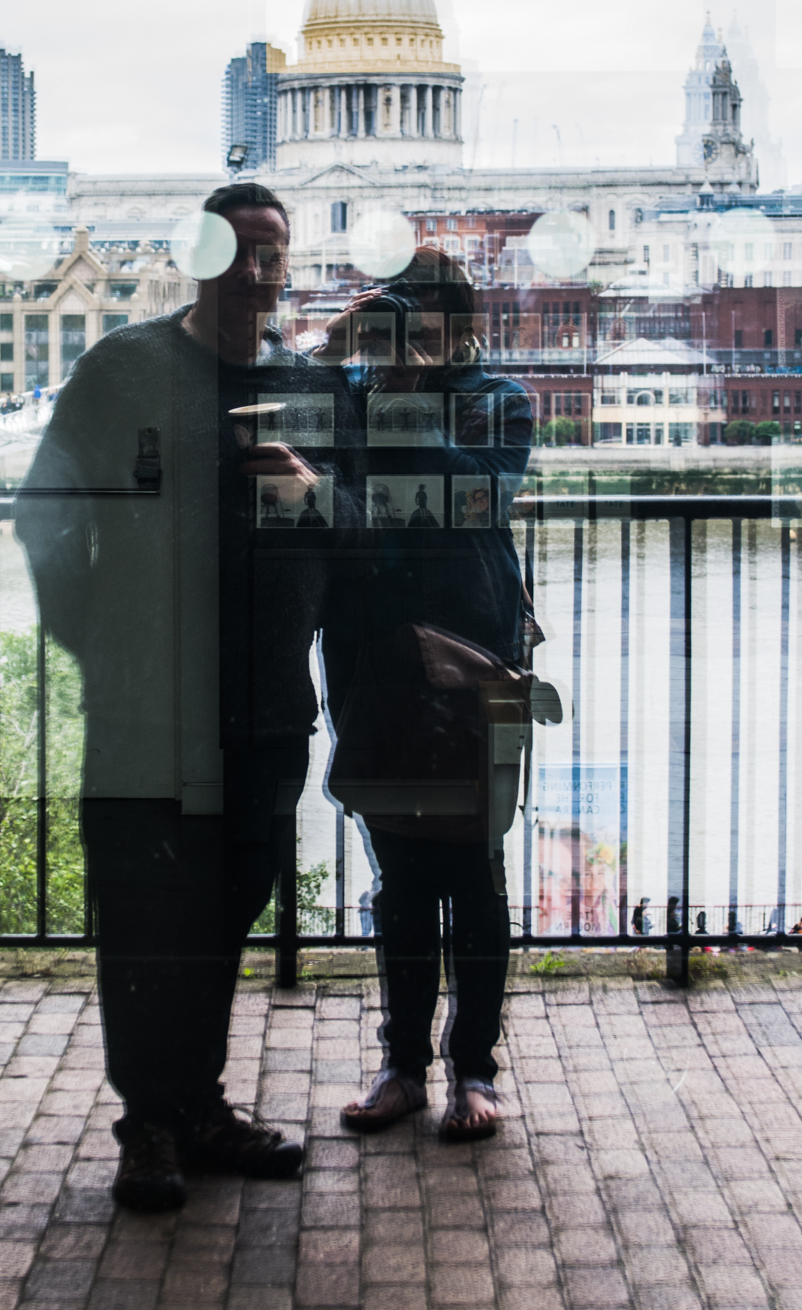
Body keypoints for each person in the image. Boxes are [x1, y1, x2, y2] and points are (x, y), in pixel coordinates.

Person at [16, 183, 353, 1213]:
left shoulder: (311, 391)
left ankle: (193, 1106)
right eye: (245, 251)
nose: (263, 271)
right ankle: (150, 1124)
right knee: (143, 914)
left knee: (220, 914)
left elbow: (359, 538)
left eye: (276, 253)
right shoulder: (126, 369)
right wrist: (100, 645)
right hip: (144, 710)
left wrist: (311, 496)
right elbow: (45, 514)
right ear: (205, 257)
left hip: (264, 711)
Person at [319, 248, 534, 1142]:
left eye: (435, 326)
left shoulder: (500, 401)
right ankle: (401, 1064)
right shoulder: (354, 397)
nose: (420, 342)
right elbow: (325, 495)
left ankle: (473, 1070)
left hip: (476, 651)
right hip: (373, 655)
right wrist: (335, 355)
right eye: (403, 324)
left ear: (463, 326)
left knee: (476, 872)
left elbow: (482, 497)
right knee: (398, 875)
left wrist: (399, 397)